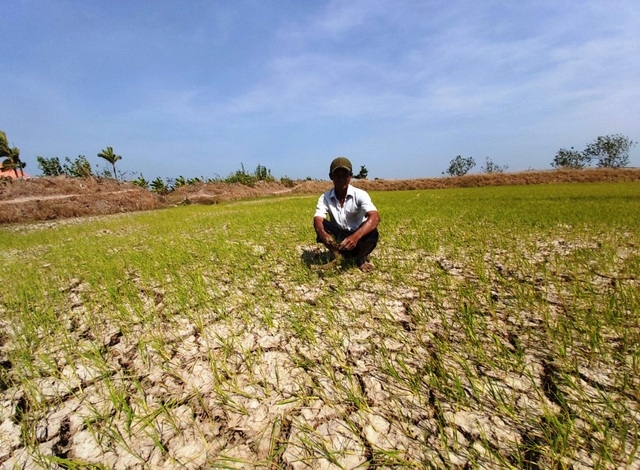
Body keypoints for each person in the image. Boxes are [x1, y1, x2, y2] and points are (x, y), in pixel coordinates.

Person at [313, 157, 380, 272]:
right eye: (337, 175)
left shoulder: (360, 194)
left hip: (358, 238)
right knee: (320, 225)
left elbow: (375, 217)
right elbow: (318, 218)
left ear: (350, 176)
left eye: (345, 175)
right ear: (331, 177)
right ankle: (337, 256)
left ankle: (360, 258)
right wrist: (323, 233)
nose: (341, 179)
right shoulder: (325, 197)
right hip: (338, 240)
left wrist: (355, 236)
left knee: (373, 233)